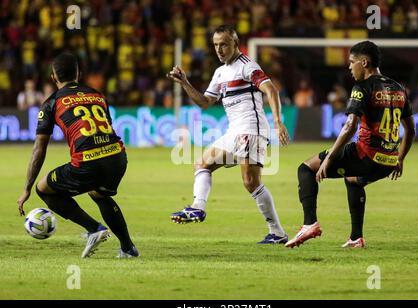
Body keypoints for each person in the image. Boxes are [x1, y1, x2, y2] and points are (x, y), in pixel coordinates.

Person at [166, 25, 290, 244]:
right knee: (202, 163)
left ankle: (277, 232)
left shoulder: (248, 66)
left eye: (224, 44)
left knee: (250, 182)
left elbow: (271, 90)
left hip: (251, 129)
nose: (219, 49)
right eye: (215, 45)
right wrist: (185, 82)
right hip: (234, 132)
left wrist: (278, 123)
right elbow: (205, 102)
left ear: (235, 42)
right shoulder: (220, 73)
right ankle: (197, 208)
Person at [285, 41, 416, 249]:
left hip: (366, 153)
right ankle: (356, 238)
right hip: (388, 160)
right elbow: (410, 129)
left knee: (306, 169)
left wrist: (330, 157)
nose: (349, 67)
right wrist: (400, 158)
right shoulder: (399, 89)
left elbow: (349, 126)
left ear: (364, 62)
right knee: (353, 180)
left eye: (352, 62)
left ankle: (309, 224)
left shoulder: (362, 87)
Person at [17, 53, 139, 258]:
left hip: (87, 162)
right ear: (78, 74)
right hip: (117, 158)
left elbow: (39, 149)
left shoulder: (52, 103)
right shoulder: (97, 94)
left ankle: (94, 229)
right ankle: (128, 249)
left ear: (53, 77)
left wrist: (27, 188)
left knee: (44, 189)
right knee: (99, 193)